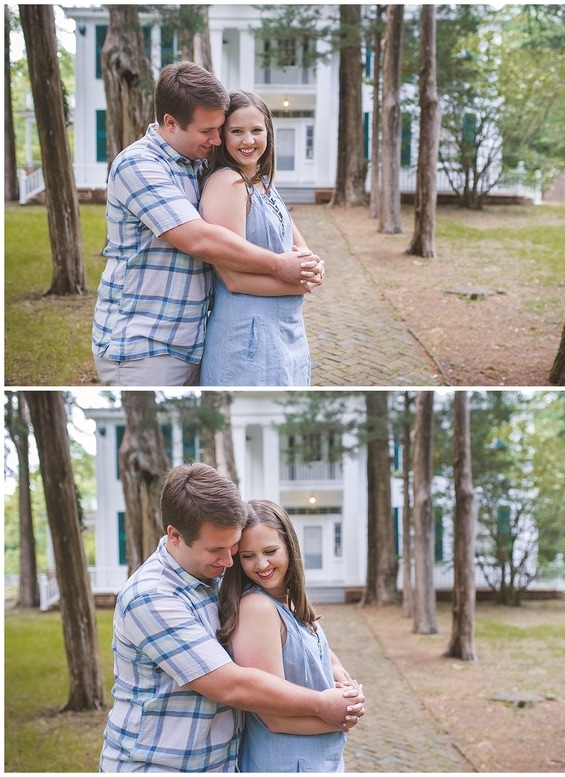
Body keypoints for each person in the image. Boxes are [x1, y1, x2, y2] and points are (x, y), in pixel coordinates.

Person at [100, 463, 364, 772]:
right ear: (175, 535)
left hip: (220, 765)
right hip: (159, 765)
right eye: (217, 549)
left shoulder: (218, 573)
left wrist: (332, 663)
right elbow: (231, 685)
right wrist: (323, 706)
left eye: (234, 547)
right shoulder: (152, 596)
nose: (229, 561)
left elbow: (290, 624)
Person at [92, 62, 323, 387]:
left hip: (193, 337)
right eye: (208, 131)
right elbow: (198, 240)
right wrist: (281, 267)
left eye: (220, 128)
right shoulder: (139, 165)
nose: (217, 140)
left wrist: (306, 264)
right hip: (145, 344)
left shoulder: (198, 161)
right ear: (170, 123)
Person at [217, 499, 351, 772]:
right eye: (248, 556)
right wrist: (343, 717)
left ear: (290, 547)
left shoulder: (287, 601)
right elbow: (273, 717)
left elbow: (304, 646)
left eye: (270, 551)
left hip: (315, 760)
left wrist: (336, 668)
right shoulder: (257, 608)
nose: (261, 564)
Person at [199, 92, 313, 385]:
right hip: (247, 338)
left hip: (283, 331)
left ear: (268, 133)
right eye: (236, 131)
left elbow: (297, 243)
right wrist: (298, 284)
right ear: (222, 136)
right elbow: (232, 278)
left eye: (256, 130)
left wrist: (314, 266)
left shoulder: (262, 182)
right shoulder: (228, 183)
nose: (248, 140)